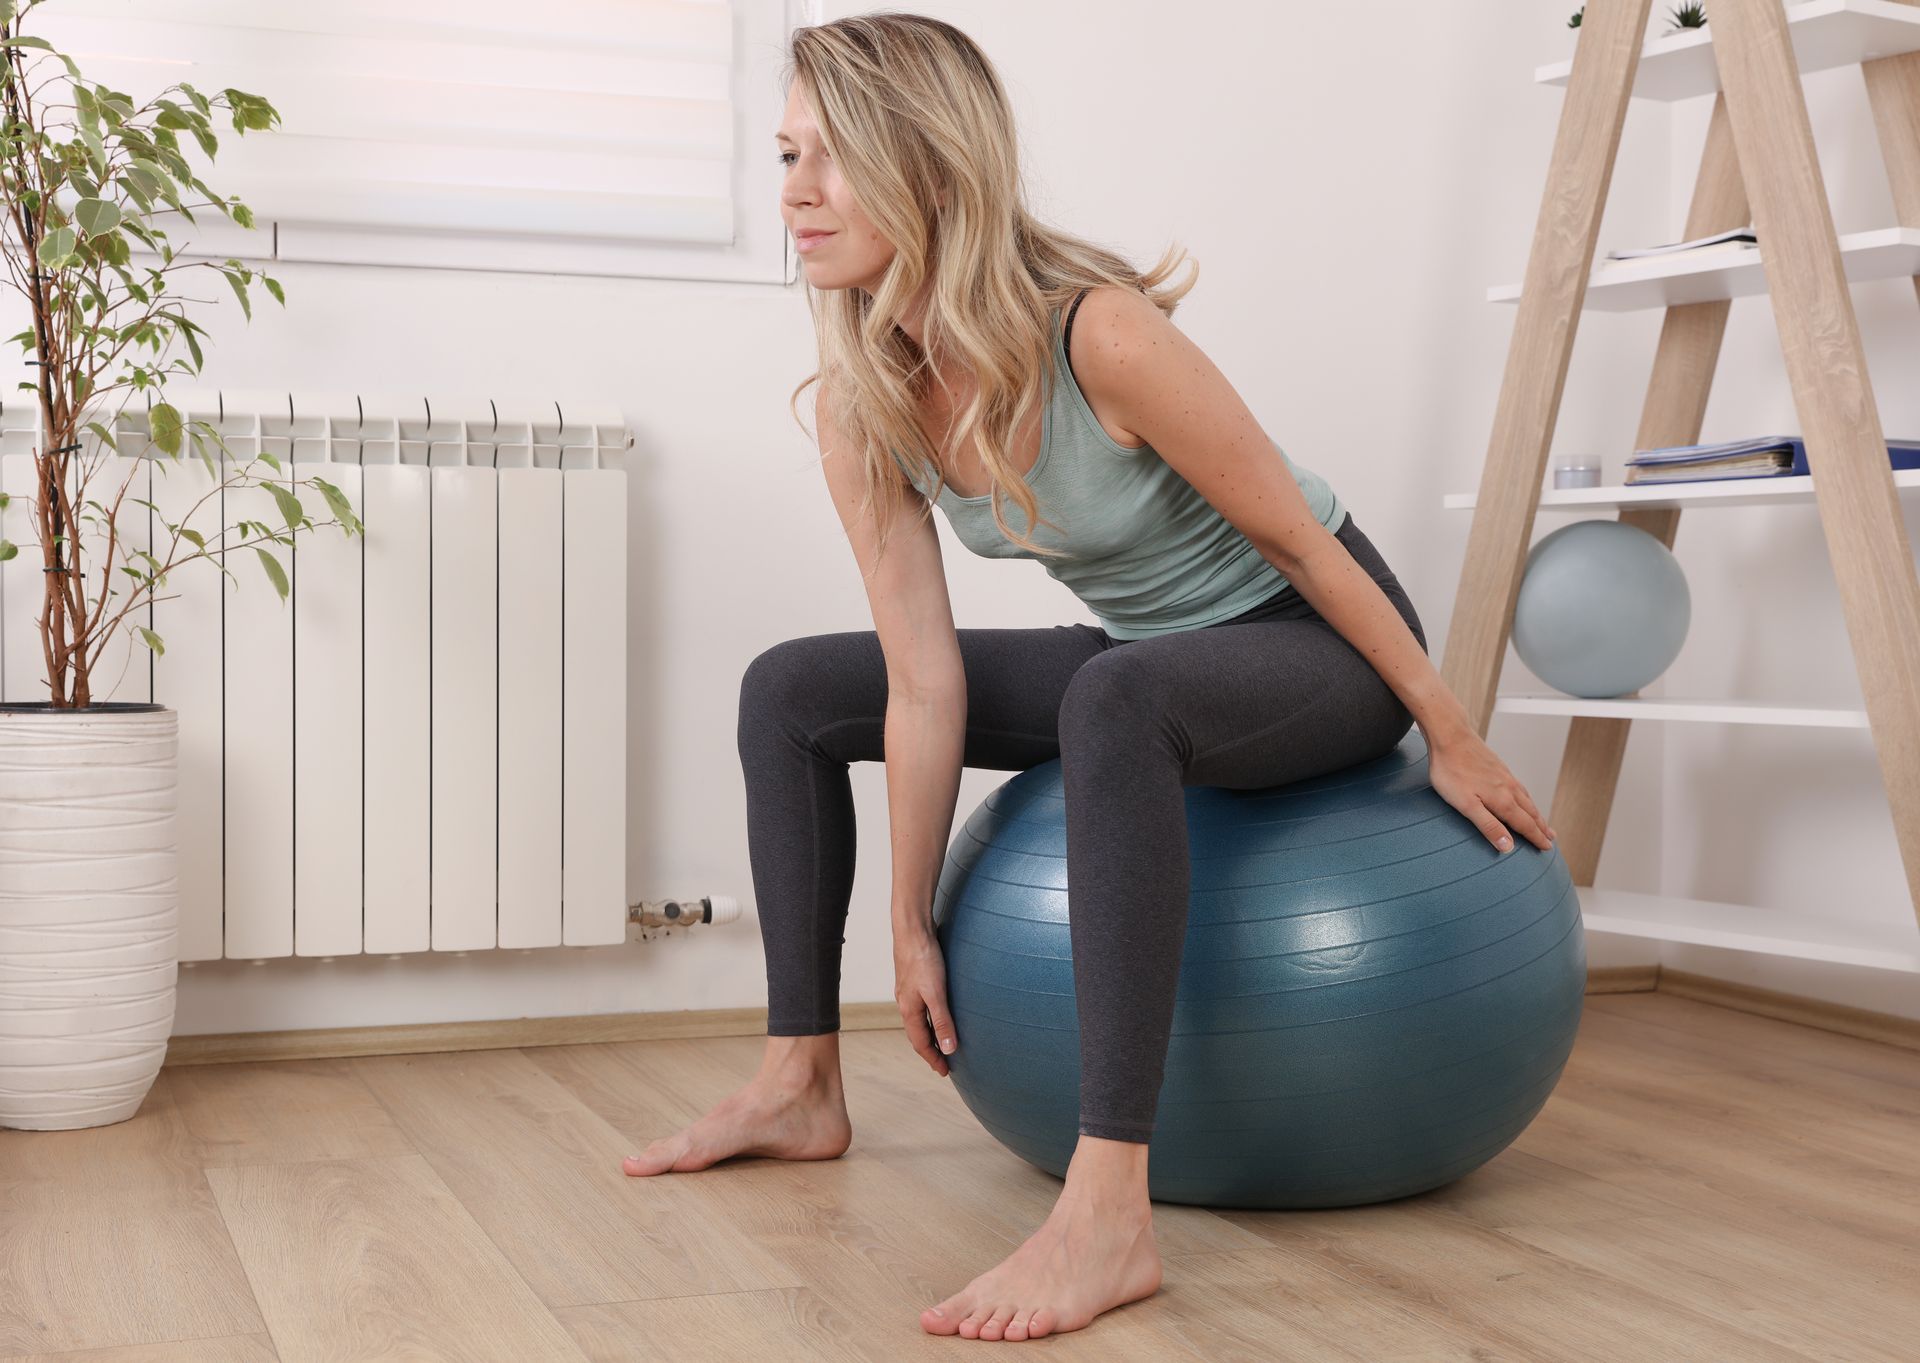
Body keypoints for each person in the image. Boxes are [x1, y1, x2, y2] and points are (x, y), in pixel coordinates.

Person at [623, 12, 1556, 1343]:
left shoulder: (1095, 335)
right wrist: (907, 919)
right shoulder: (864, 402)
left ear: (931, 166)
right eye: (785, 158)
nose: (795, 199)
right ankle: (798, 1082)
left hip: (1315, 643)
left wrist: (1450, 731)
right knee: (791, 686)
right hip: (1156, 659)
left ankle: (1113, 1205)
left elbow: (1301, 539)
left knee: (1109, 700)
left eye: (830, 160)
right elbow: (921, 675)